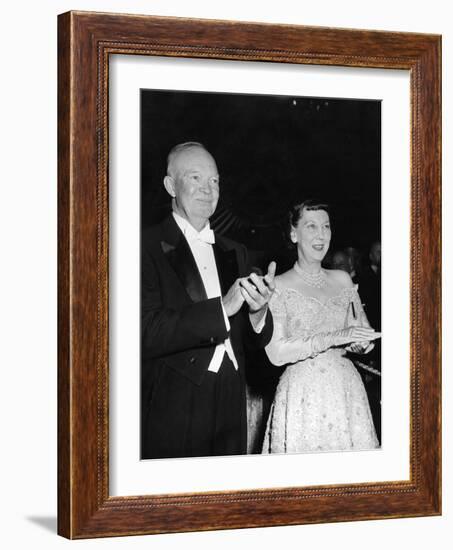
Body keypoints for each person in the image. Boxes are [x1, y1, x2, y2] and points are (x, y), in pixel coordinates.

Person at [141, 142, 276, 459]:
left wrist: (259, 312)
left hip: (232, 395)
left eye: (214, 181)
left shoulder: (235, 251)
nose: (207, 190)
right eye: (195, 178)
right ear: (170, 185)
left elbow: (253, 342)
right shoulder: (142, 245)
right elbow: (144, 330)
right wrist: (222, 308)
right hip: (175, 400)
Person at [262, 200, 380, 454]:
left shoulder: (343, 279)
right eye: (311, 226)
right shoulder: (278, 285)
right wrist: (336, 336)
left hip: (346, 391)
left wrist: (361, 344)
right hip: (302, 394)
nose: (321, 234)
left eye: (326, 226)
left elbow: (362, 334)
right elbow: (276, 353)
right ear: (294, 234)